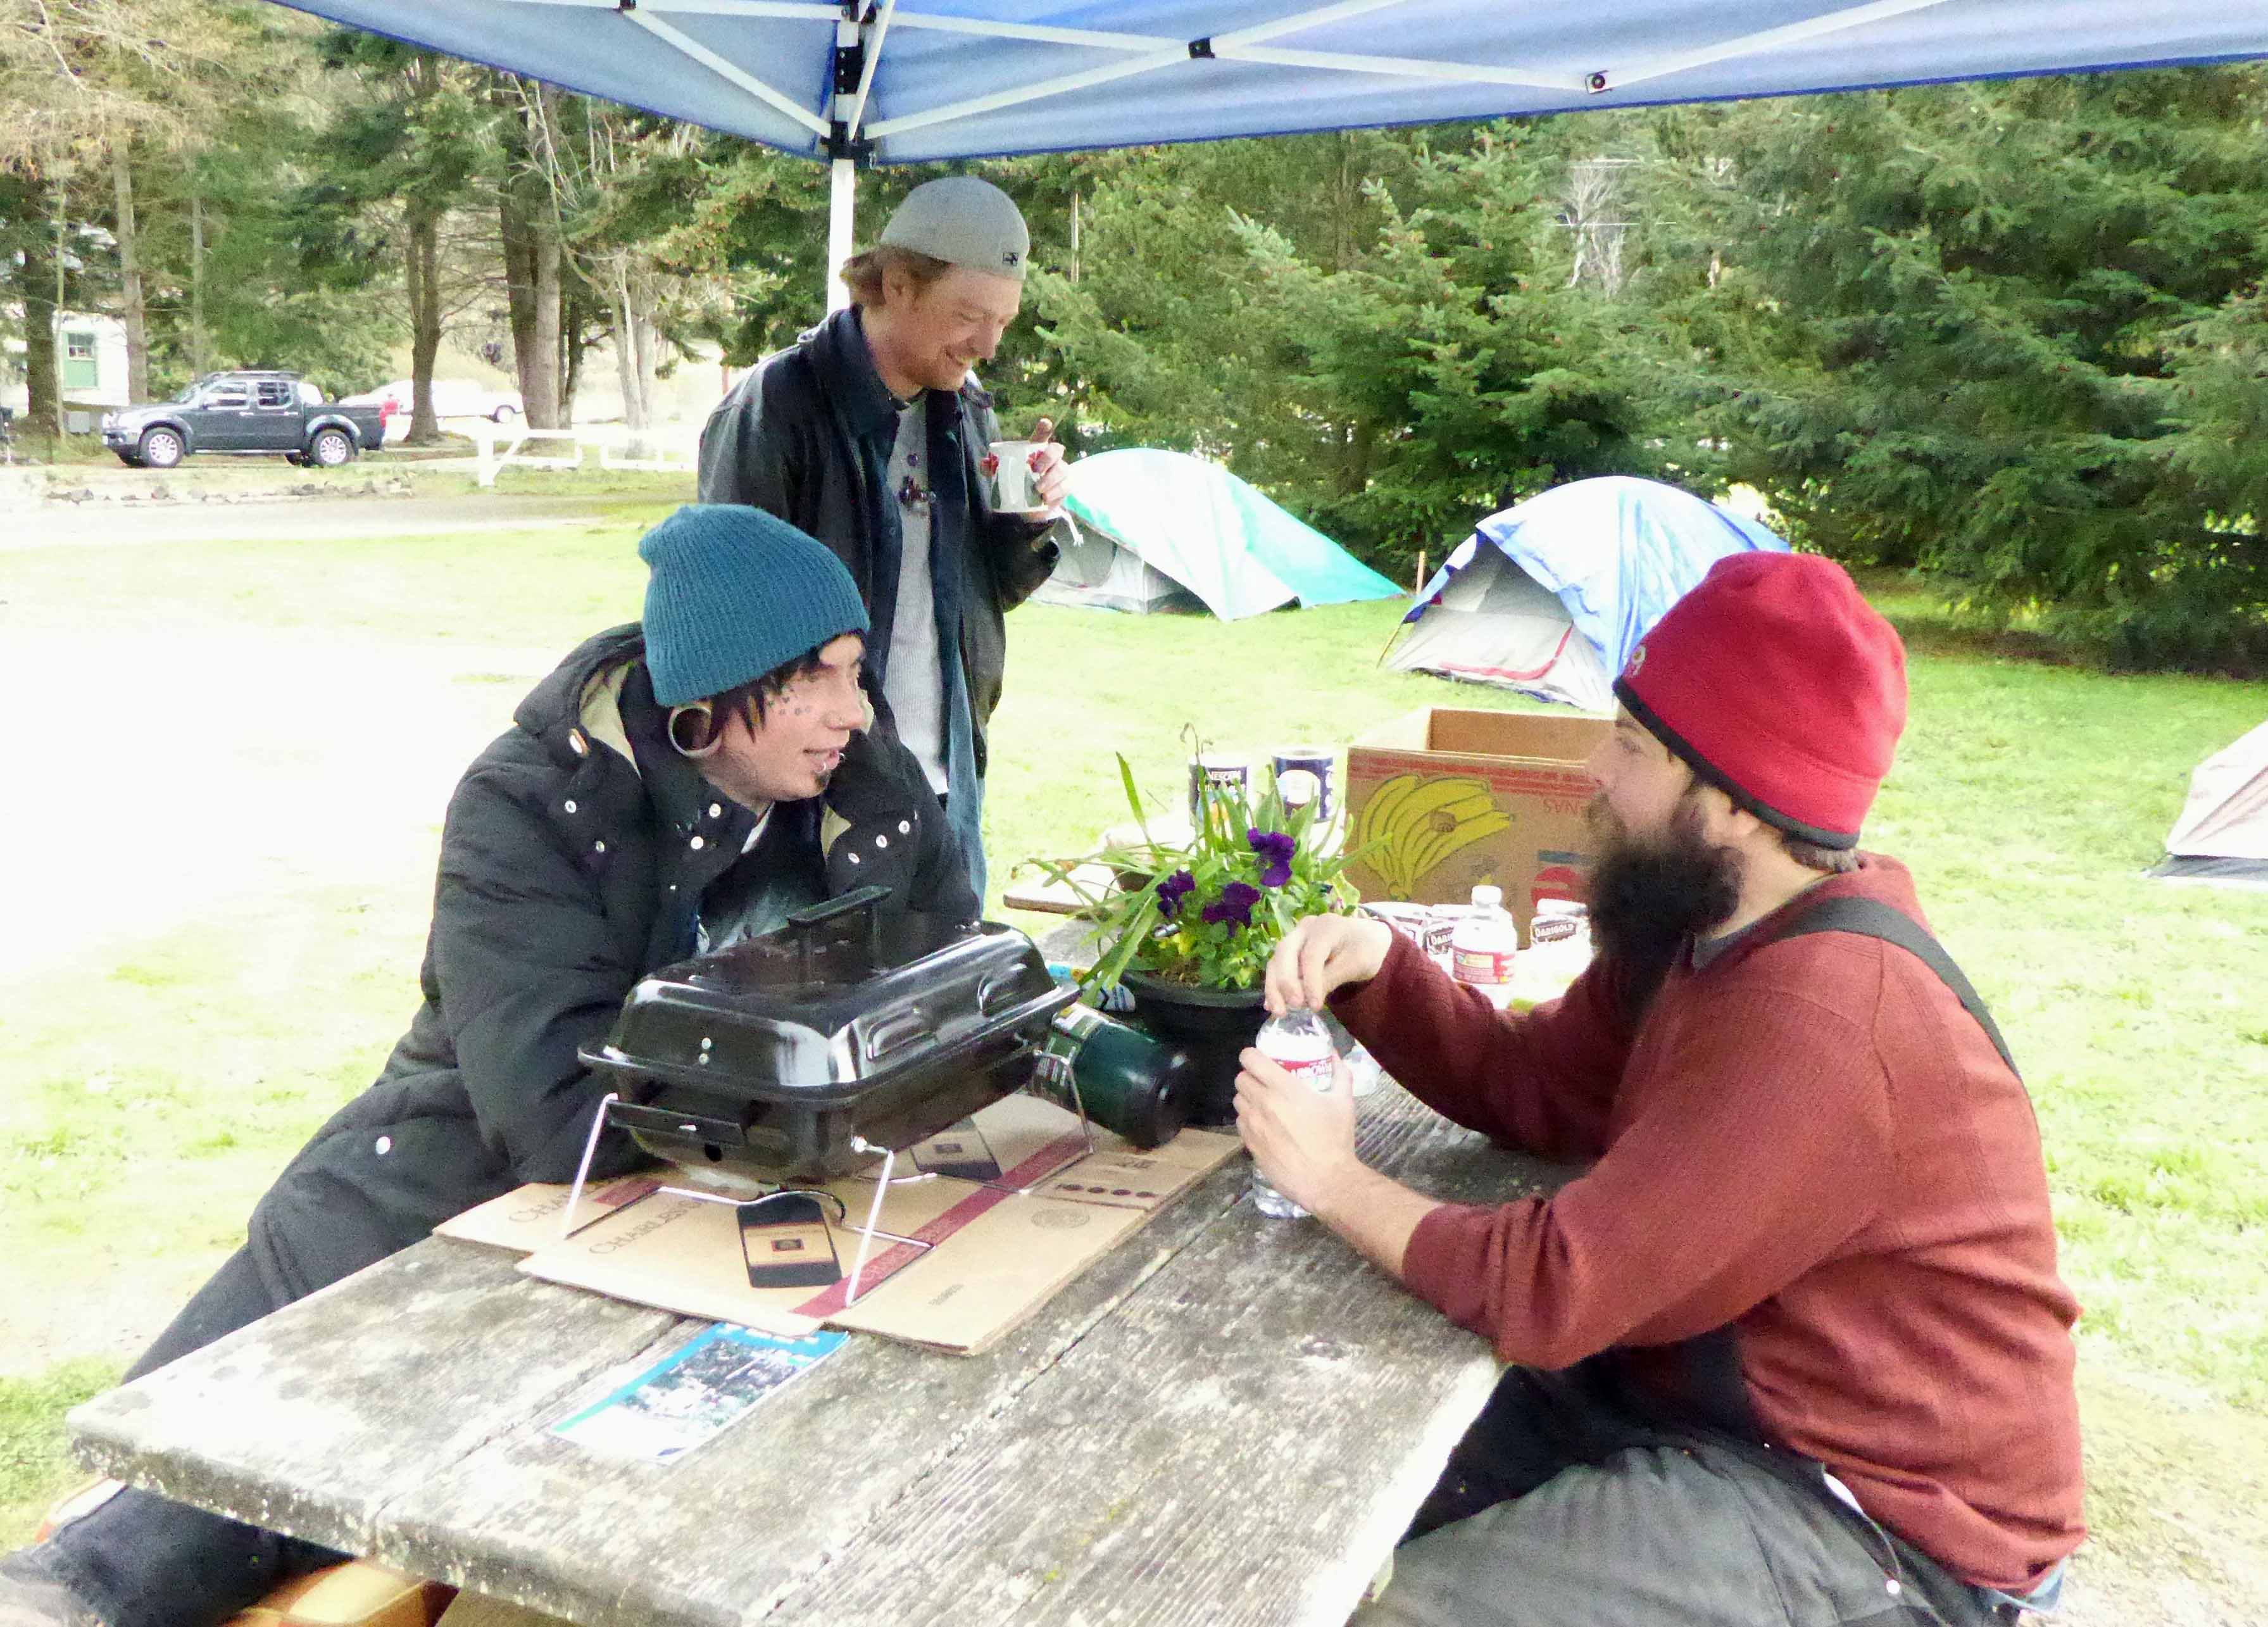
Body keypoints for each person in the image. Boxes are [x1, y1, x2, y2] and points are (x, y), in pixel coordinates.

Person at [0, 504, 974, 1627]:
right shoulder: (530, 803)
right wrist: (812, 1083)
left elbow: (954, 983)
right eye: (823, 678)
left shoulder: (863, 783)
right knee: (152, 1549)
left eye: (857, 673)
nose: (858, 710)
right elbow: (556, 1115)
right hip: (431, 1201)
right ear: (718, 694)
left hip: (711, 1221)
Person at [1242, 551, 2084, 1627]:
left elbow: (1553, 1288)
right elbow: (1540, 1086)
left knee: (1385, 1613)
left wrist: (1327, 1177)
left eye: (1631, 746)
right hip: (1706, 1405)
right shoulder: (1701, 924)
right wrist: (1380, 970)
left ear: (1731, 804)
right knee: (1318, 1500)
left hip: (1874, 1517)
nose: (1594, 769)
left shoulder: (1823, 1017)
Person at [697, 174, 1070, 902]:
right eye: (970, 315)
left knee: (947, 973)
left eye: (1003, 320)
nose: (989, 344)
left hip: (945, 781)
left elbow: (980, 595)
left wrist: (1028, 524)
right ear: (898, 285)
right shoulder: (777, 406)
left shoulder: (965, 411)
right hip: (810, 801)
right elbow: (727, 618)